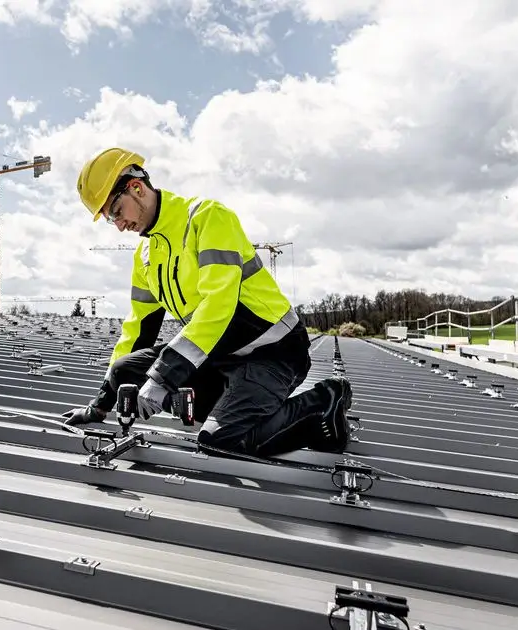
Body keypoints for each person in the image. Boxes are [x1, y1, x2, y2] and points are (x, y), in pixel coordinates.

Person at [61, 147, 354, 458]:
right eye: (110, 219)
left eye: (117, 212)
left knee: (219, 440)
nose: (119, 225)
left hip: (272, 352)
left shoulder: (206, 218)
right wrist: (99, 406)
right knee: (124, 370)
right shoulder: (144, 256)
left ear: (136, 188)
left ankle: (324, 401)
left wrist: (162, 378)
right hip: (220, 356)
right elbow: (138, 331)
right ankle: (234, 407)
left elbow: (218, 307)